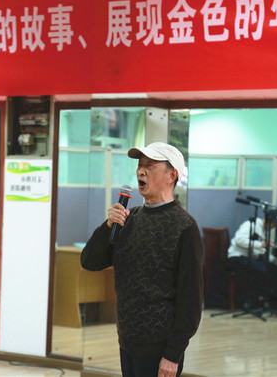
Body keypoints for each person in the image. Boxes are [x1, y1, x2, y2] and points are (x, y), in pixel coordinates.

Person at [81, 142, 203, 377]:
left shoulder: (184, 227)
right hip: (127, 341)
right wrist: (108, 226)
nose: (141, 171)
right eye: (139, 166)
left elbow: (191, 298)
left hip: (160, 347)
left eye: (150, 166)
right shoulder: (129, 218)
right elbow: (89, 261)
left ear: (171, 175)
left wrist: (173, 354)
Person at [228, 208, 277, 308]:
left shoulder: (264, 232)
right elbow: (239, 240)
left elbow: (262, 253)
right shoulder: (251, 225)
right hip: (237, 256)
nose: (273, 226)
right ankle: (254, 301)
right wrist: (260, 244)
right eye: (273, 223)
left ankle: (266, 300)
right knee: (262, 269)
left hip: (249, 257)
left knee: (272, 269)